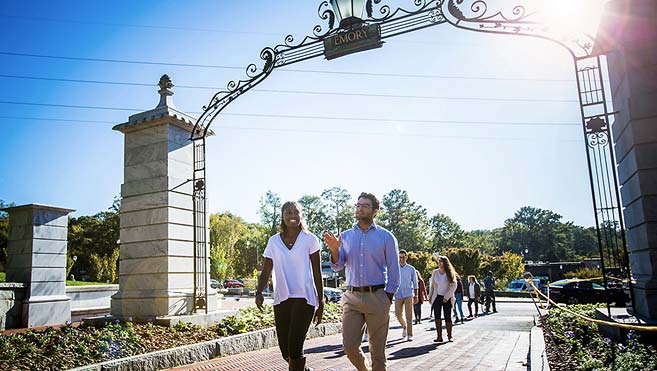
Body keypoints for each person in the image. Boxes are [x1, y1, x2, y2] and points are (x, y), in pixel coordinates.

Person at [324, 192, 400, 371]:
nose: (360, 208)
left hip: (378, 297)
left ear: (375, 211)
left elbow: (394, 269)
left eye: (365, 205)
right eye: (358, 205)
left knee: (378, 353)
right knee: (349, 347)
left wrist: (387, 297)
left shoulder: (386, 237)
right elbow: (337, 266)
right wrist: (335, 250)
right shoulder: (345, 236)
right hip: (352, 298)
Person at [256, 201, 323, 371]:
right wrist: (259, 291)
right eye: (288, 212)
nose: (292, 216)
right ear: (282, 216)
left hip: (305, 298)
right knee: (285, 349)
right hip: (282, 298)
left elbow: (317, 273)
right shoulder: (273, 242)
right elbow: (266, 269)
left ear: (301, 215)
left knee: (294, 346)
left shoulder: (310, 240)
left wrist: (320, 302)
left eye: (296, 212)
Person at [428, 255, 457, 342]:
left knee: (447, 316)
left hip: (447, 298)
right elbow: (432, 285)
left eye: (441, 261)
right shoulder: (435, 272)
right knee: (437, 316)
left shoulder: (449, 272)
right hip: (437, 296)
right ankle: (439, 336)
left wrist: (447, 296)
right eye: (438, 261)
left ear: (445, 262)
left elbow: (454, 285)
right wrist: (430, 296)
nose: (439, 263)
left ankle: (449, 336)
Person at [394, 250, 418, 341]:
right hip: (398, 294)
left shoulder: (411, 269)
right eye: (400, 257)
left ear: (406, 257)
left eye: (403, 257)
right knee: (398, 314)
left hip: (408, 294)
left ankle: (409, 334)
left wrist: (416, 295)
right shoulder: (395, 268)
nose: (401, 259)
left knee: (409, 315)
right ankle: (404, 326)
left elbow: (415, 283)